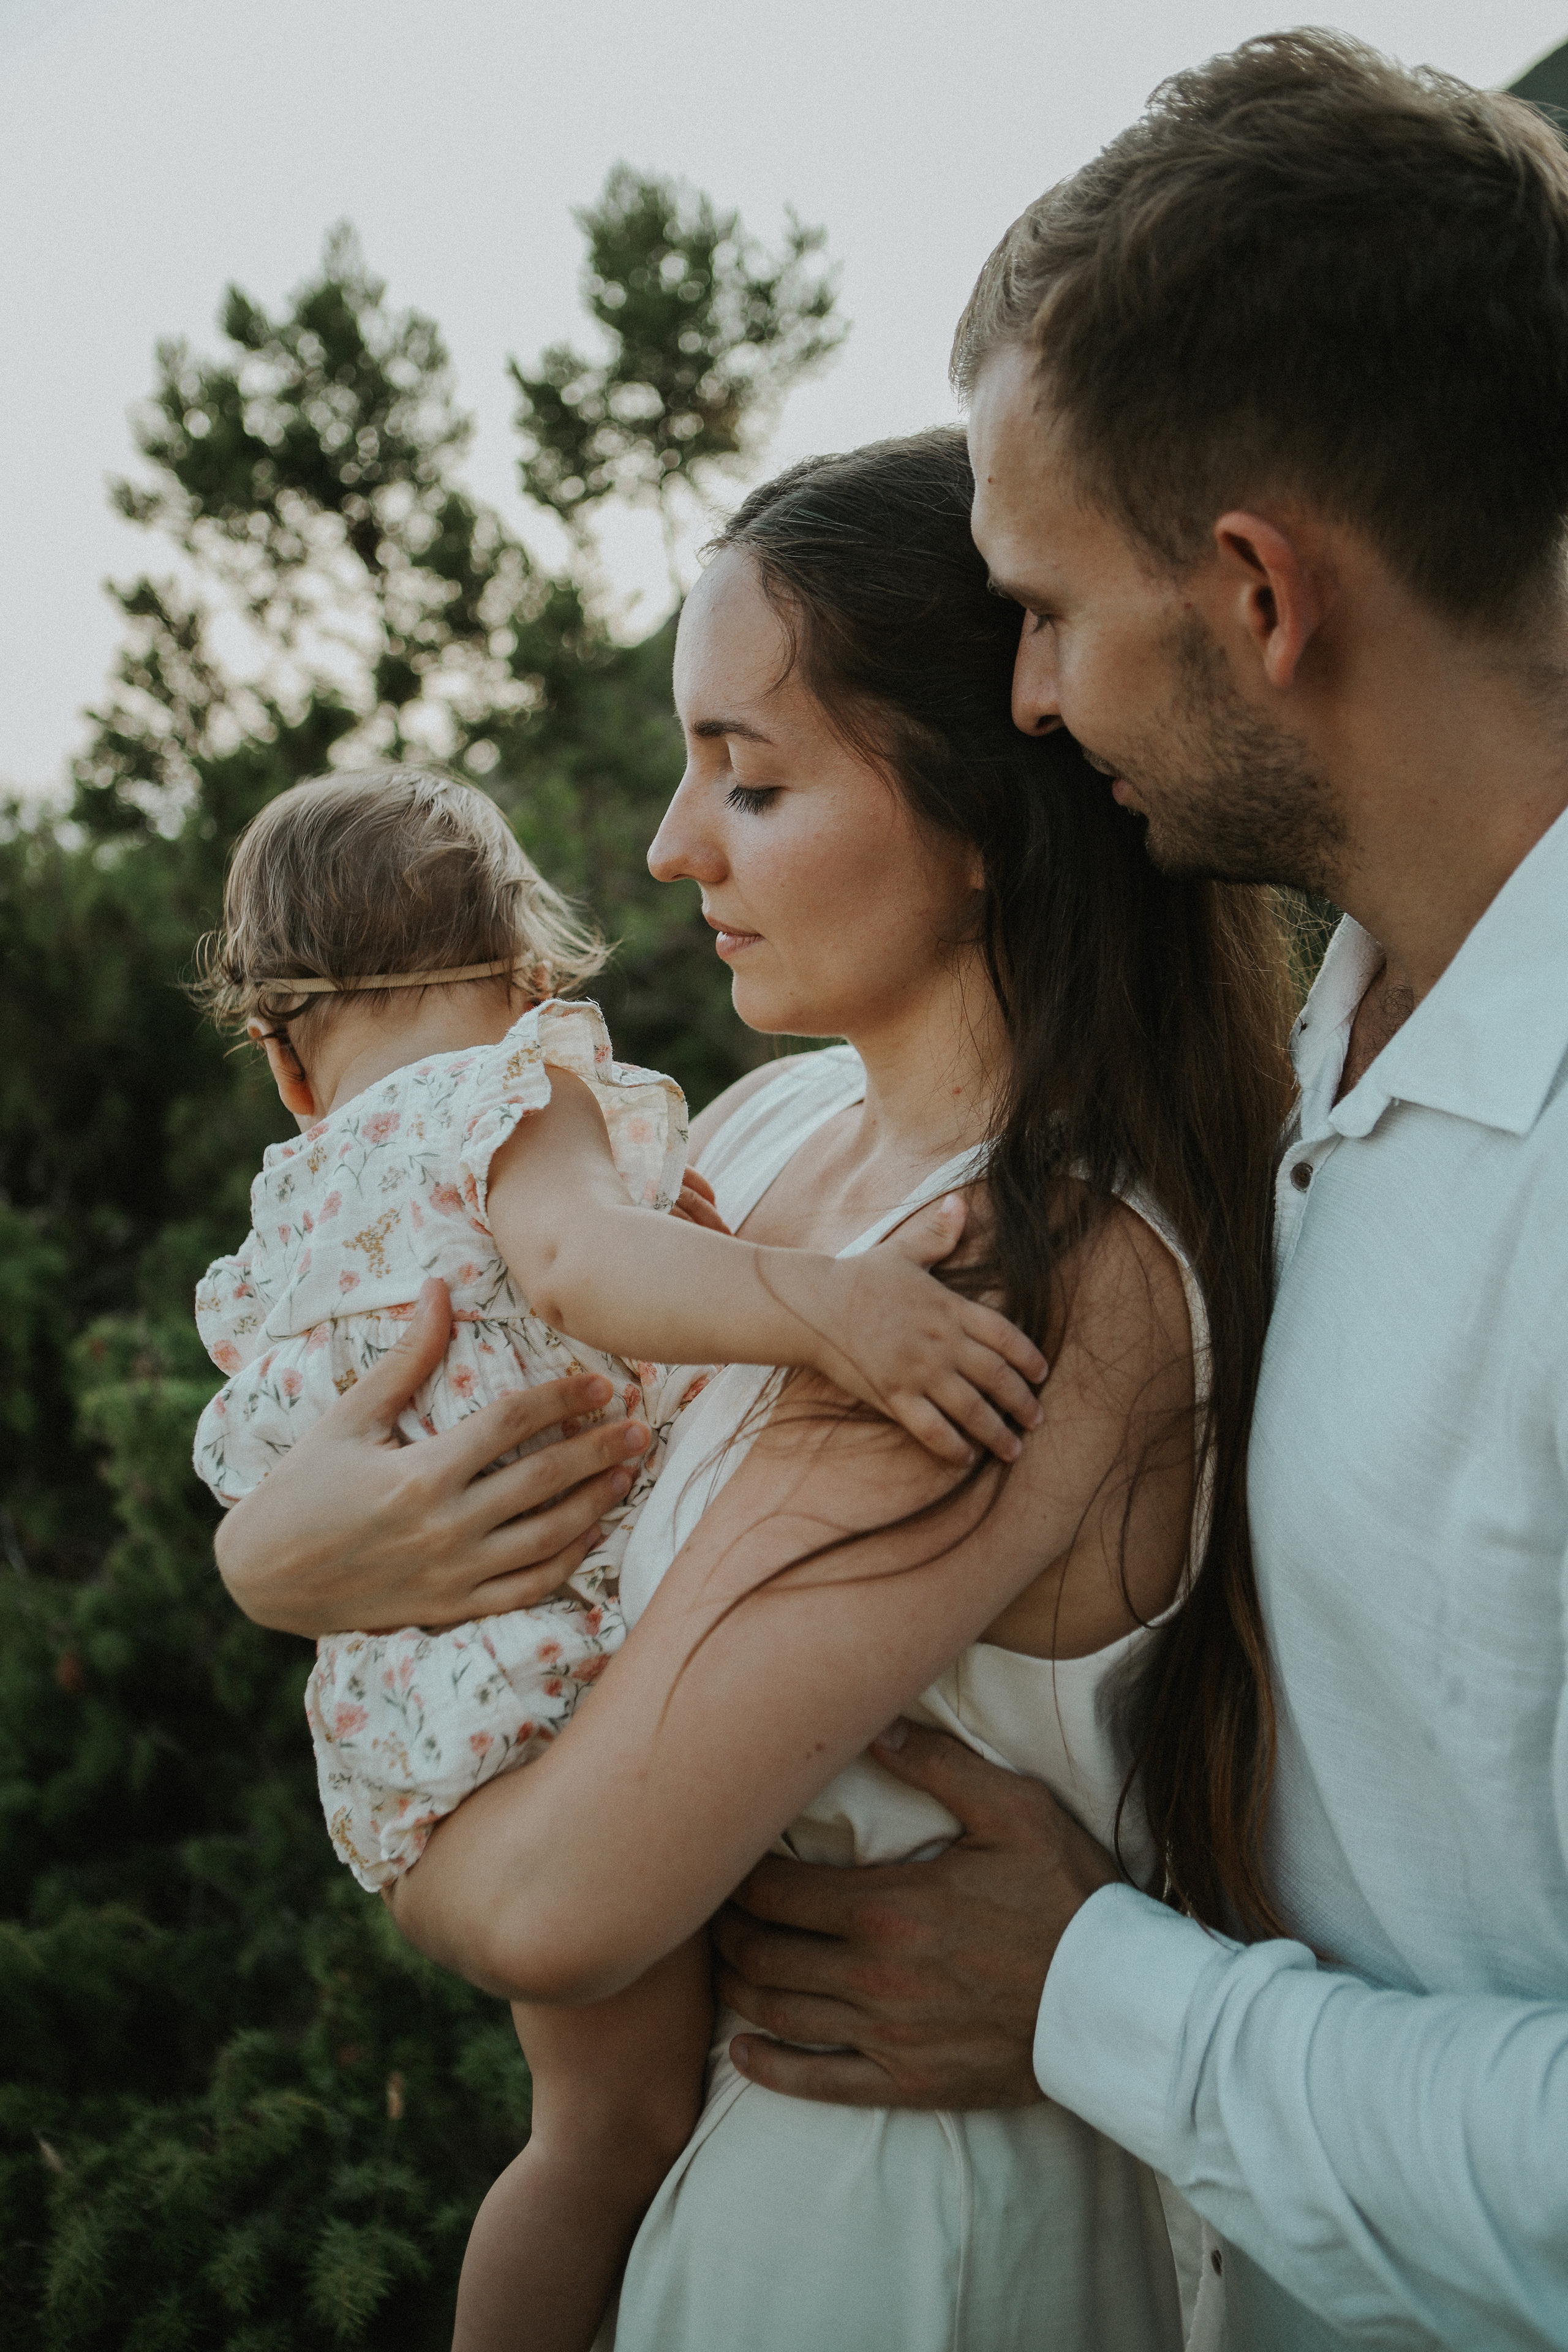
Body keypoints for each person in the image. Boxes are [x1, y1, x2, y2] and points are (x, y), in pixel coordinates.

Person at [220, 427, 1294, 2348]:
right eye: (686, 764)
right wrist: (276, 1563)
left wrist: (364, 1727)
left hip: (893, 2233)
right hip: (721, 2165)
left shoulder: (1026, 1270)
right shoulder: (772, 1133)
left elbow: (556, 1909)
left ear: (986, 810)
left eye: (755, 777)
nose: (668, 846)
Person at [688, 33, 1568, 2352]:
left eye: (1050, 610)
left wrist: (1096, 1997)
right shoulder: (1346, 1033)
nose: (1030, 701)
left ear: (1261, 593)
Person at [188, 760, 1047, 2352]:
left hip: (409, 1718)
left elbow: (275, 1469)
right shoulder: (513, 1099)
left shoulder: (294, 1219)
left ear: (286, 1060)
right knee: (613, 2137)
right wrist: (834, 1307)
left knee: (586, 2132)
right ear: (530, 976)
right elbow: (584, 1269)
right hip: (550, 1694)